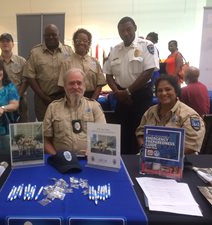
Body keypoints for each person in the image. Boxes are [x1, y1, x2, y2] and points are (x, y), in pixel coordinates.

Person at [103, 16, 159, 154]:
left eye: (128, 29)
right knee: (122, 132)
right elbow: (108, 74)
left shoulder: (147, 46)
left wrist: (127, 92)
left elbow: (148, 71)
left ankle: (138, 165)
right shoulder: (115, 49)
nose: (125, 33)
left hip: (140, 96)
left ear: (135, 27)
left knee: (139, 132)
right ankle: (123, 162)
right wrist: (117, 92)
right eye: (122, 31)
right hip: (121, 96)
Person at [44, 68, 106, 156]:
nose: (76, 87)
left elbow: (103, 135)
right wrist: (56, 157)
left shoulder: (94, 107)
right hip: (62, 162)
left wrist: (94, 151)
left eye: (79, 83)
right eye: (71, 83)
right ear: (64, 86)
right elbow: (45, 140)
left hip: (89, 159)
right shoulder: (53, 108)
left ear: (84, 86)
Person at [136, 75, 205, 155]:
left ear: (176, 92)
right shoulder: (150, 111)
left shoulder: (189, 115)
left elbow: (192, 146)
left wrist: (164, 155)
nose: (164, 93)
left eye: (168, 89)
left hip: (182, 161)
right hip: (151, 158)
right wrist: (144, 149)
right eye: (160, 90)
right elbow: (140, 133)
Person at [23, 24, 73, 121]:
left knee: (64, 124)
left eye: (54, 34)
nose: (51, 37)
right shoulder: (35, 53)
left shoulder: (68, 51)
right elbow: (30, 76)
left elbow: (73, 73)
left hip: (64, 97)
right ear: (44, 36)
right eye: (47, 35)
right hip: (42, 100)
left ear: (59, 35)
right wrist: (43, 97)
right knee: (45, 127)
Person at [57, 28, 106, 100]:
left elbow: (100, 84)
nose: (82, 43)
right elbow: (62, 85)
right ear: (74, 42)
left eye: (85, 41)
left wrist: (92, 101)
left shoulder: (95, 62)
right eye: (78, 40)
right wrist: (73, 100)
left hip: (92, 97)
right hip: (72, 98)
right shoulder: (66, 62)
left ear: (89, 43)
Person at [0, 33, 28, 122]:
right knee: (2, 125)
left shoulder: (21, 61)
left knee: (22, 126)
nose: (5, 43)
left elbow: (25, 81)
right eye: (2, 41)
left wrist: (16, 97)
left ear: (13, 44)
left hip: (20, 99)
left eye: (8, 41)